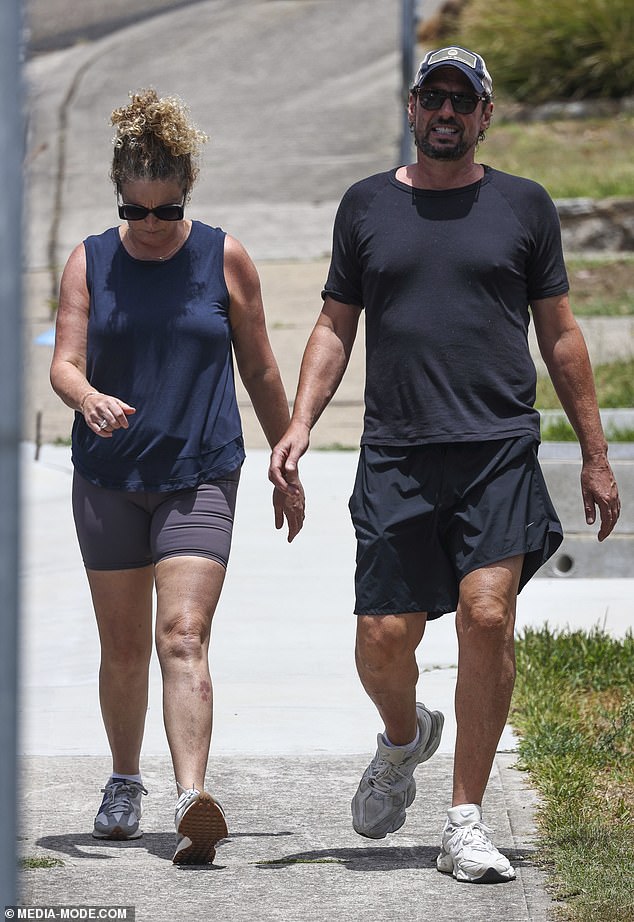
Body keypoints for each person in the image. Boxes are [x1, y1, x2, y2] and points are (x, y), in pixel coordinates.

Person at [269, 46, 621, 884]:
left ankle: (464, 819)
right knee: (384, 637)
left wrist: (597, 455)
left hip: (498, 447)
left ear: (487, 115)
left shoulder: (524, 207)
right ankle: (403, 737)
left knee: (487, 616)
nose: (448, 113)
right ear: (413, 106)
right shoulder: (364, 207)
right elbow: (333, 325)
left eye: (465, 100)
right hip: (396, 449)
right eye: (435, 97)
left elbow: (561, 334)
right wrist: (299, 425)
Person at [50, 88, 304, 865]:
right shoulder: (90, 259)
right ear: (120, 197)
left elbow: (259, 366)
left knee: (183, 636)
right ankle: (126, 781)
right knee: (123, 648)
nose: (151, 228)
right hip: (108, 480)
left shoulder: (223, 257)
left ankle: (192, 797)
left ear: (187, 190)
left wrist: (285, 451)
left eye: (165, 211)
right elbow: (64, 363)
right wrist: (88, 396)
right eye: (136, 212)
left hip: (199, 472)